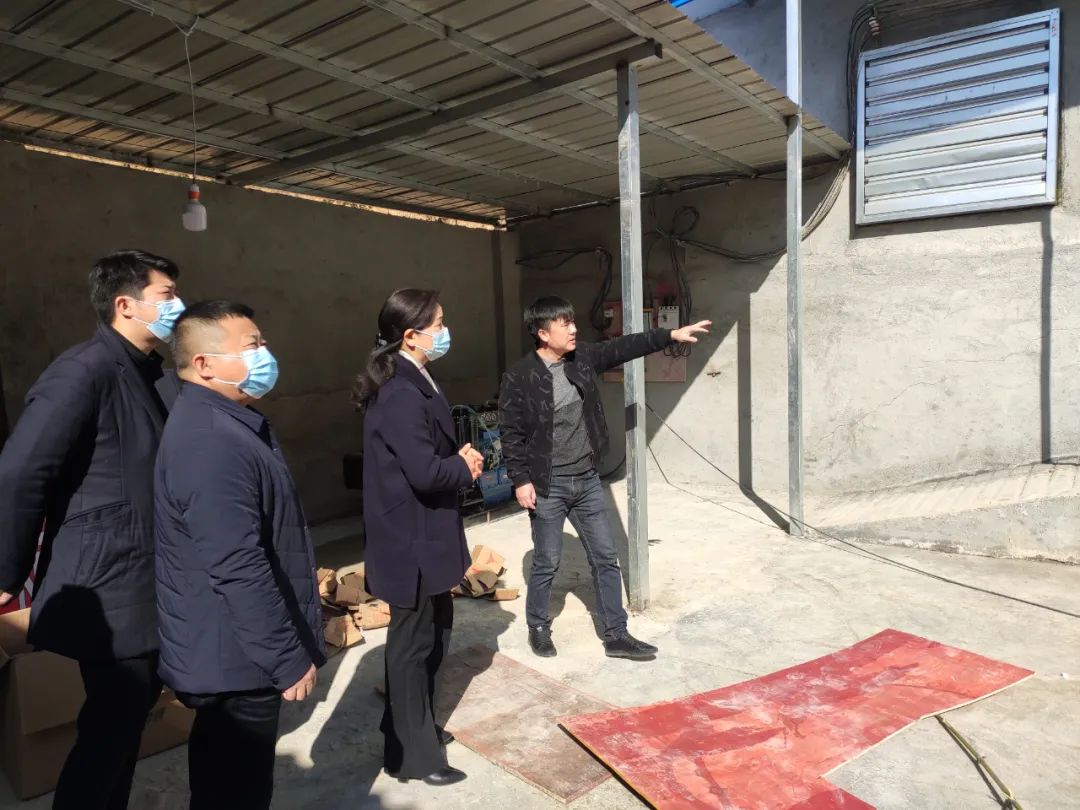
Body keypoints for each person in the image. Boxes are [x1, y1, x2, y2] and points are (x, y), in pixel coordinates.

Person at [0, 249, 183, 810]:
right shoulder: (83, 371)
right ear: (125, 305)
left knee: (124, 722)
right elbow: (21, 471)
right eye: (167, 296)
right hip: (111, 579)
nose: (178, 306)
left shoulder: (149, 372)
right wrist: (5, 573)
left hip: (146, 573)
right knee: (111, 728)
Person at [153, 301, 325, 810]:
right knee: (238, 789)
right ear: (204, 363)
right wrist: (286, 657)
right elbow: (237, 566)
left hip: (229, 649)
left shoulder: (224, 422)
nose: (265, 354)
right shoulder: (210, 441)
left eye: (262, 343)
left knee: (220, 781)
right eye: (252, 347)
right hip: (236, 659)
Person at [499, 297, 710, 660]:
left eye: (572, 321)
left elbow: (623, 347)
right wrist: (521, 480)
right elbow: (511, 432)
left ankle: (616, 634)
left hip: (586, 480)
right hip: (548, 485)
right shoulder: (520, 376)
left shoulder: (582, 358)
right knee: (547, 562)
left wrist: (670, 335)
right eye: (564, 324)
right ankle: (538, 626)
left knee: (605, 557)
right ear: (542, 333)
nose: (574, 329)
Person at [355, 289, 483, 787]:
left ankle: (414, 729)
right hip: (410, 542)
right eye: (439, 324)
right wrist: (464, 467)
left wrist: (455, 462)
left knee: (433, 640)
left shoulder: (414, 377)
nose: (446, 332)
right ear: (411, 335)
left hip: (426, 536)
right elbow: (425, 471)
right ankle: (412, 758)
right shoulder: (400, 392)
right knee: (412, 650)